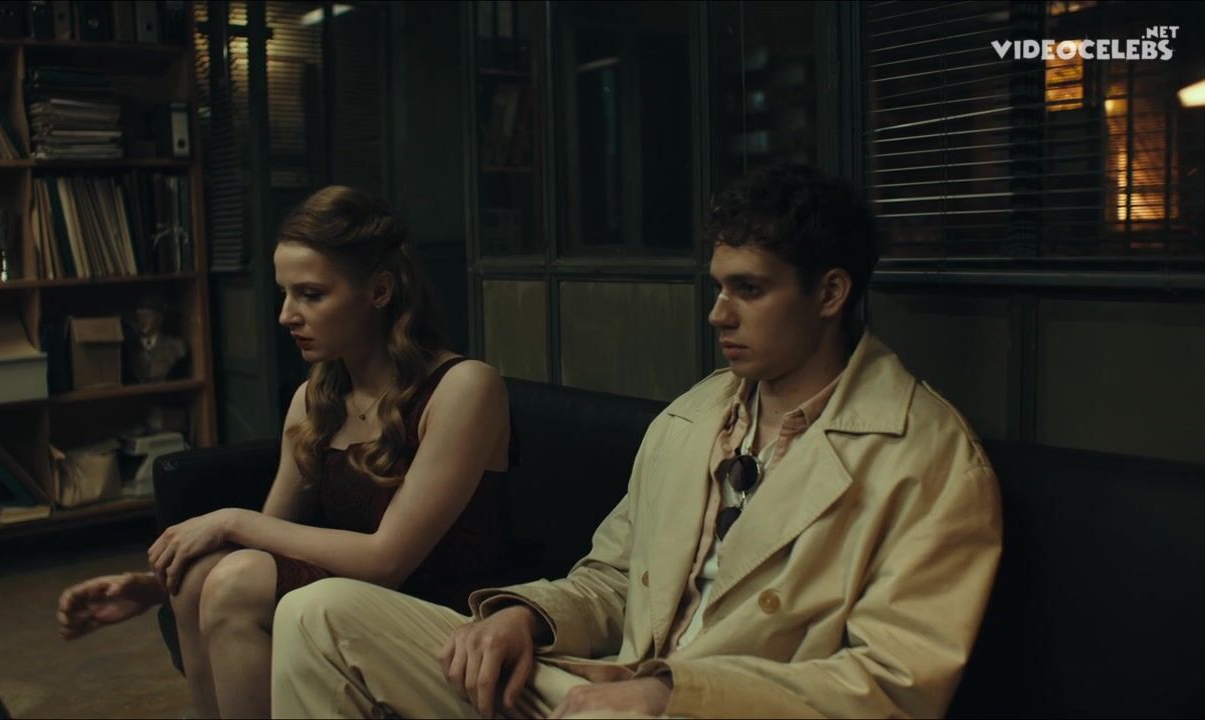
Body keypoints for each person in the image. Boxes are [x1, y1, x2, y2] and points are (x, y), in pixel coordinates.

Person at [269, 164, 1003, 718]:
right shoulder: (694, 416)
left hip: (715, 708)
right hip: (603, 689)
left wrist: (672, 693)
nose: (718, 314)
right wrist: (524, 616)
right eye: (718, 287)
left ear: (832, 294)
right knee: (320, 613)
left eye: (749, 290)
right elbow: (612, 580)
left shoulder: (927, 457)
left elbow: (892, 688)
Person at [56, 185, 513, 719]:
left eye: (311, 295)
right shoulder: (315, 399)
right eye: (285, 294)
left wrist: (229, 519)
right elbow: (269, 538)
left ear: (380, 291)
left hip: (446, 618)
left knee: (235, 580)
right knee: (201, 577)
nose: (286, 315)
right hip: (343, 603)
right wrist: (152, 589)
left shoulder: (465, 388)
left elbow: (386, 560)